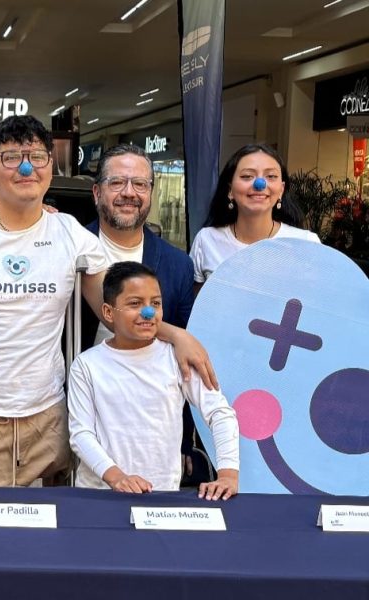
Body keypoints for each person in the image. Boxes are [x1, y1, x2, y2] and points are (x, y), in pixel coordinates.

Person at [0, 115, 215, 487]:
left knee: (55, 524)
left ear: (50, 165)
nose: (26, 168)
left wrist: (176, 335)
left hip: (48, 423)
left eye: (37, 156)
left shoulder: (70, 234)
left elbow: (115, 312)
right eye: (11, 157)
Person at [82, 144, 207, 484]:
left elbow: (183, 361)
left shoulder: (178, 265)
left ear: (151, 192)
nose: (129, 193)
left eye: (140, 184)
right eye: (117, 182)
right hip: (81, 408)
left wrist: (183, 440)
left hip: (148, 425)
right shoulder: (70, 245)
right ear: (97, 192)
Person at [68, 261, 239, 499]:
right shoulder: (86, 365)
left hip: (160, 494)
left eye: (155, 303)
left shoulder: (177, 358)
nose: (148, 312)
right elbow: (81, 433)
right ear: (108, 312)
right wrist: (117, 477)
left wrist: (228, 474)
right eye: (135, 303)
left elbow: (220, 413)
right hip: (100, 495)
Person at [191, 143, 320, 291]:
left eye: (271, 176)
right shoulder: (206, 240)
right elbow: (199, 303)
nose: (260, 184)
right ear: (230, 190)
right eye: (247, 176)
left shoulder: (307, 243)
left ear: (281, 190)